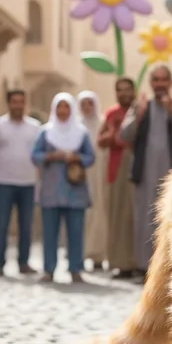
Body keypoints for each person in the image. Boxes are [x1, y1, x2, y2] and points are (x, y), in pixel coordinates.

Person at [121, 64, 172, 276]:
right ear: (151, 83)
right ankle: (144, 268)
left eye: (164, 80)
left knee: (170, 220)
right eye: (156, 80)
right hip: (144, 173)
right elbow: (124, 135)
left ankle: (168, 270)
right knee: (144, 220)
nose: (160, 84)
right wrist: (139, 115)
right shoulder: (140, 106)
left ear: (170, 83)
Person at [31, 93, 95, 283]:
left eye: (66, 107)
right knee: (50, 232)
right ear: (54, 109)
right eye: (59, 107)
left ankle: (75, 268)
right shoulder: (45, 132)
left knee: (76, 231)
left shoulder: (81, 133)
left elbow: (90, 157)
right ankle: (49, 269)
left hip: (75, 190)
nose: (63, 111)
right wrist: (51, 156)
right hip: (51, 190)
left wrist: (76, 158)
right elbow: (34, 155)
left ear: (71, 109)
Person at [98, 78, 138, 279]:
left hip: (138, 169)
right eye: (120, 90)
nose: (124, 94)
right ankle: (120, 263)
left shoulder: (141, 111)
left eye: (127, 90)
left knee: (135, 215)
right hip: (116, 168)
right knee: (117, 215)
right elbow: (100, 140)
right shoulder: (111, 114)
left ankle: (137, 261)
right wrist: (113, 134)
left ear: (134, 91)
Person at [0, 90, 41, 276]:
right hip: (4, 183)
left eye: (21, 102)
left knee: (26, 226)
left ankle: (23, 263)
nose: (17, 105)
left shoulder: (35, 127)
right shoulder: (1, 125)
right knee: (2, 225)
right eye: (14, 102)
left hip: (28, 183)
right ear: (8, 103)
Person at [77, 91, 107, 272]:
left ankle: (98, 255)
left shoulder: (103, 124)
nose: (87, 107)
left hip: (100, 174)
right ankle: (79, 254)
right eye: (84, 104)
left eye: (90, 103)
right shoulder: (76, 126)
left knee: (99, 212)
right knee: (83, 214)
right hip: (80, 175)